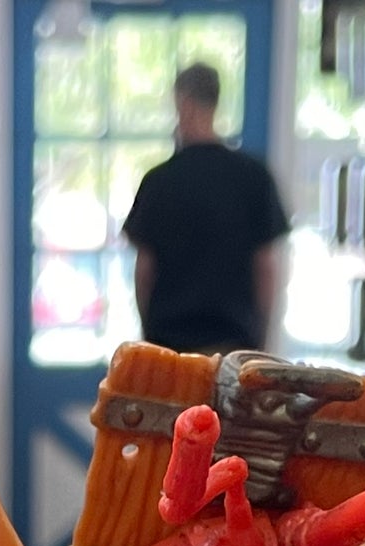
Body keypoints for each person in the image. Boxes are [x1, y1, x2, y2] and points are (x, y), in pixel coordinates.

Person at [124, 64, 290, 356]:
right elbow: (265, 268)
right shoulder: (253, 177)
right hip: (233, 347)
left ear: (183, 102)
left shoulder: (159, 182)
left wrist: (147, 336)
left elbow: (145, 270)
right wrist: (262, 343)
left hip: (171, 350)